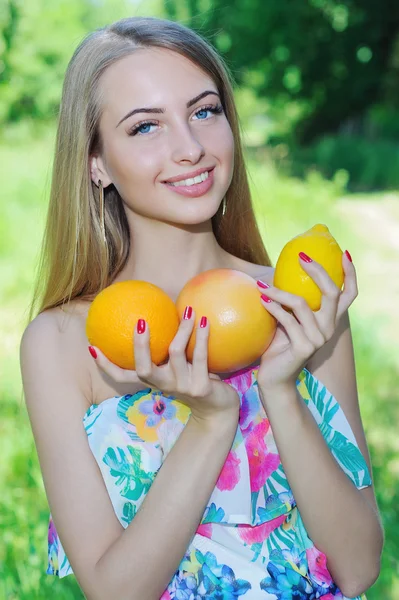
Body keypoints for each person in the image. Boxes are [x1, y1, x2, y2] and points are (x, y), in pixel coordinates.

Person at [20, 16, 383, 600]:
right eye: (144, 127)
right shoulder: (64, 342)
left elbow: (360, 565)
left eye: (205, 111)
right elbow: (116, 592)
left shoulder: (300, 305)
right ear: (96, 162)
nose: (190, 148)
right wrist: (211, 421)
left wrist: (281, 390)